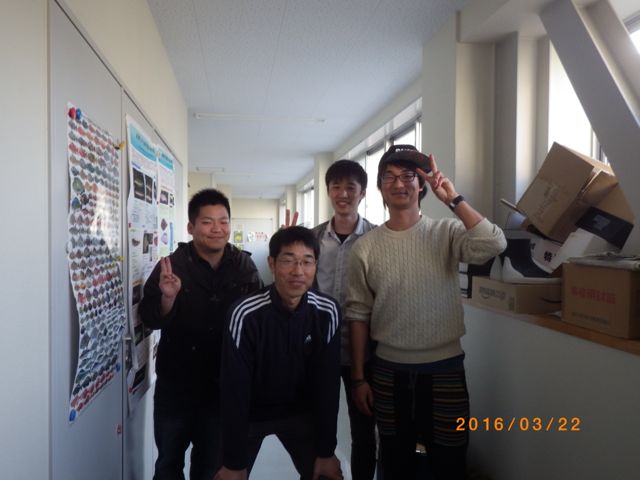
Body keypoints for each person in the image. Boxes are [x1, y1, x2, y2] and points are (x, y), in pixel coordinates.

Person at [345, 145, 506, 479]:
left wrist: (454, 199)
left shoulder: (446, 232)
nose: (398, 183)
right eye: (389, 177)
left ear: (422, 186)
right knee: (395, 463)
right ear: (380, 188)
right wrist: (359, 378)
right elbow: (358, 315)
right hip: (388, 371)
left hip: (444, 368)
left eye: (408, 176)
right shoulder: (365, 247)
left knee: (450, 461)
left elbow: (494, 244)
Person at [139, 188, 262, 480]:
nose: (217, 229)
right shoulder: (172, 266)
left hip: (222, 388)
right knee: (167, 465)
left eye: (223, 221)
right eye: (207, 222)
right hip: (176, 385)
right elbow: (149, 317)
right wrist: (168, 298)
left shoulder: (244, 266)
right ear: (191, 227)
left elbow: (258, 321)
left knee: (210, 468)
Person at [215, 226, 343, 480]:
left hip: (301, 413)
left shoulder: (327, 311)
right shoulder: (245, 313)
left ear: (316, 265)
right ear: (272, 264)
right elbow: (234, 389)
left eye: (307, 261)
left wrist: (327, 451)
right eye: (288, 260)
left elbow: (328, 385)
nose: (298, 271)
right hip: (251, 414)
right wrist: (233, 461)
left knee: (327, 475)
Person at [312, 160, 378, 480]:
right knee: (317, 426)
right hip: (319, 348)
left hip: (364, 352)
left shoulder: (378, 238)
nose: (343, 193)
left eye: (351, 187)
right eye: (336, 186)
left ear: (362, 193)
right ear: (328, 191)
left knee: (363, 430)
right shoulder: (312, 238)